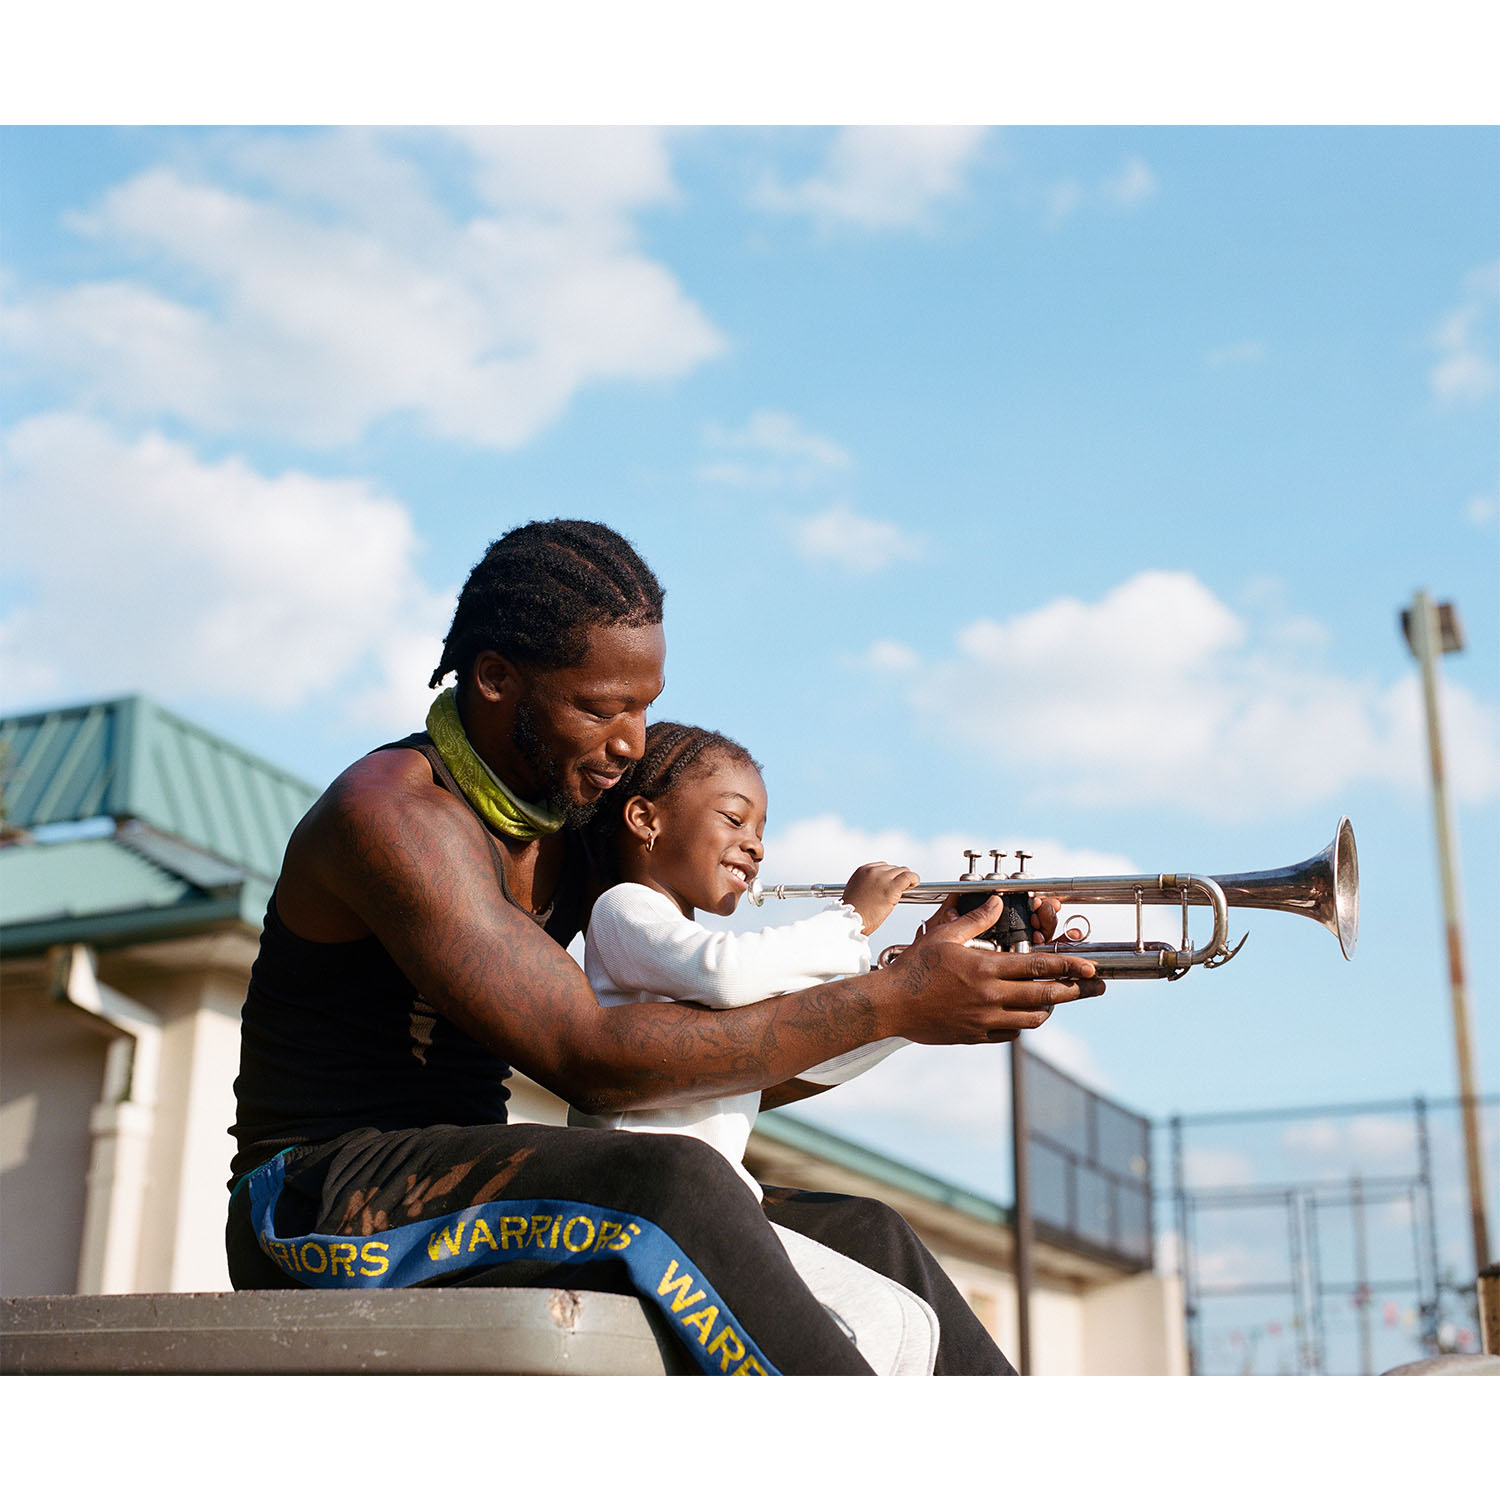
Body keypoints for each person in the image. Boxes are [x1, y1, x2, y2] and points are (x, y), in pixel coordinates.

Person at [225, 517, 1104, 1376]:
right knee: (675, 1185)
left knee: (871, 1233)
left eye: (645, 707)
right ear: (493, 678)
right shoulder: (394, 817)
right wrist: (896, 996)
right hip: (318, 1201)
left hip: (470, 1181)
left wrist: (919, 990)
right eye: (600, 707)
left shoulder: (571, 820)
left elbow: (703, 1071)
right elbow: (597, 1061)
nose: (632, 744)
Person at [571, 719, 940, 1373]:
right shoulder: (625, 910)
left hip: (712, 1206)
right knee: (888, 1321)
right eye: (736, 820)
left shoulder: (678, 947)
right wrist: (851, 920)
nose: (757, 847)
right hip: (654, 1205)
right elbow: (728, 969)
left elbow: (799, 1045)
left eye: (761, 831)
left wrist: (910, 989)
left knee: (907, 1319)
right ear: (643, 818)